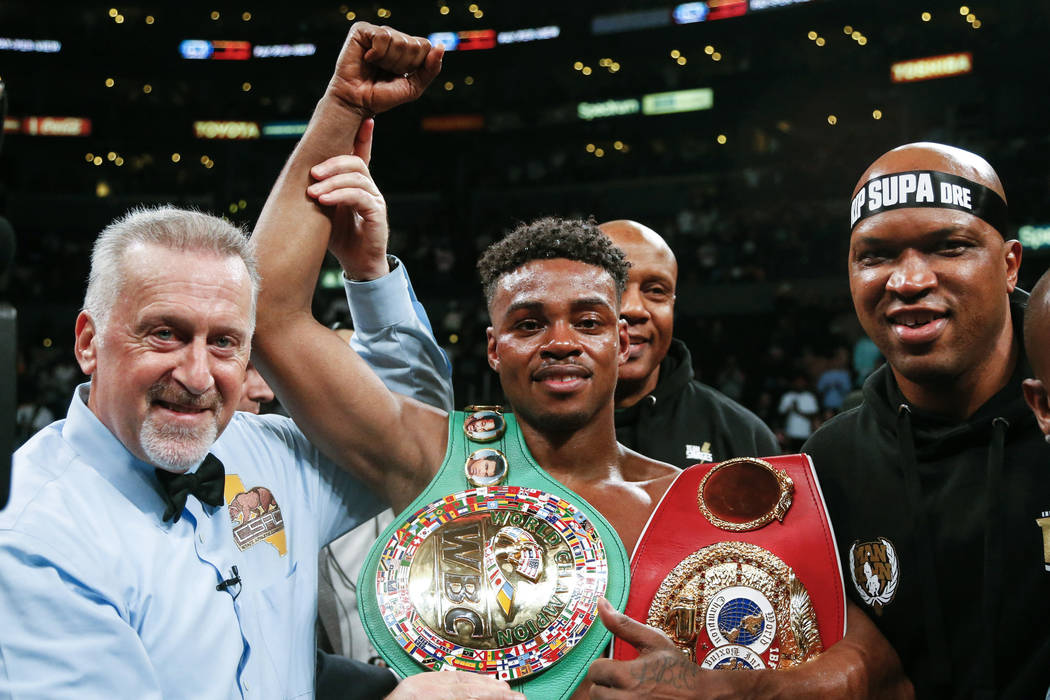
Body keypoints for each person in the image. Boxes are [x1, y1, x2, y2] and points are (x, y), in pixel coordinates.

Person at [249, 25, 909, 689]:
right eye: (529, 323)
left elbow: (876, 671)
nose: (560, 341)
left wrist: (721, 689)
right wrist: (343, 104)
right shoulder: (429, 457)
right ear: (494, 347)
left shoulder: (694, 502)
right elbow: (270, 313)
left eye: (587, 321)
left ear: (620, 341)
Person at [0, 26, 521, 700]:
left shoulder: (266, 456)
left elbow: (405, 433)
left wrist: (368, 274)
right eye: (165, 334)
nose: (196, 375)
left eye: (224, 343)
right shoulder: (33, 537)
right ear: (87, 341)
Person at [802, 142, 1050, 697]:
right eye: (875, 256)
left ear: (1010, 264)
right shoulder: (827, 467)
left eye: (949, 246)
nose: (908, 281)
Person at [599, 220, 778, 467]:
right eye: (614, 287)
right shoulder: (531, 434)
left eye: (656, 290)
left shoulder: (744, 437)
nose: (635, 309)